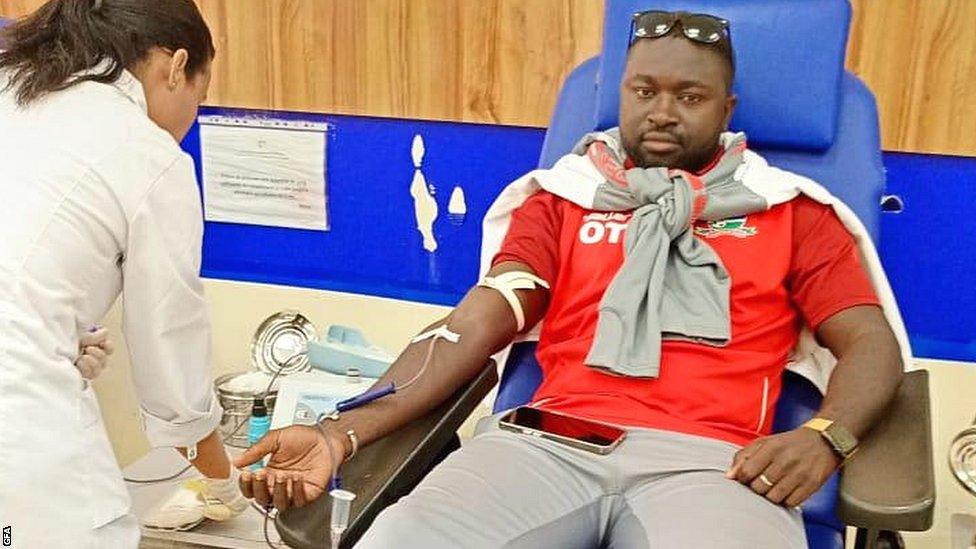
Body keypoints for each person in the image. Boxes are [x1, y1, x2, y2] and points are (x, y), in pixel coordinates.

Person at [236, 11, 905, 548]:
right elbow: (473, 325)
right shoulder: (567, 198)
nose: (662, 112)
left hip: (715, 465)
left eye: (689, 96)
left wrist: (826, 435)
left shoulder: (789, 210)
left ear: (727, 108)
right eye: (644, 91)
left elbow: (871, 344)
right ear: (621, 93)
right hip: (545, 445)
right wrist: (340, 432)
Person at [0, 1, 247, 546]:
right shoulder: (148, 156)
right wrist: (224, 481)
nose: (190, 123)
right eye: (198, 101)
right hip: (18, 437)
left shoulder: (10, 88)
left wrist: (56, 332)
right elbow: (172, 370)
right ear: (175, 66)